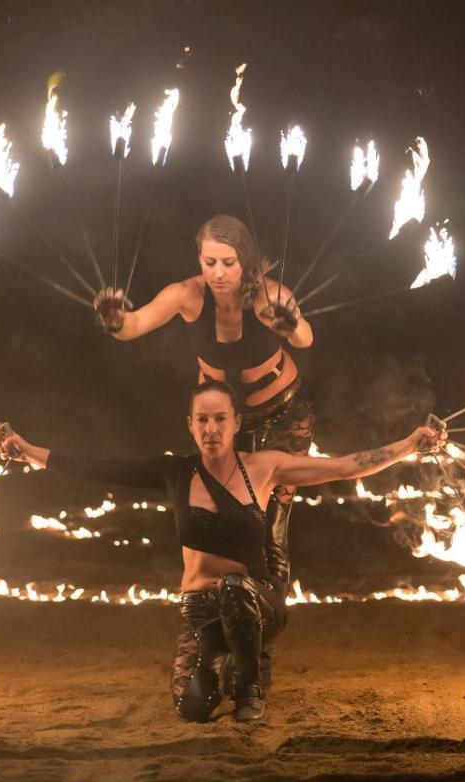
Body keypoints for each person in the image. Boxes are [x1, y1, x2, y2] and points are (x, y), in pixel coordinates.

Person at [0, 379, 444, 723]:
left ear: (235, 423)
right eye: (202, 420)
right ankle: (220, 664)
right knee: (192, 709)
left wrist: (410, 442)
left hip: (256, 599)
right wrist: (26, 449)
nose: (211, 428)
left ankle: (250, 688)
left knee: (233, 588)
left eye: (220, 419)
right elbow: (95, 466)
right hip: (199, 614)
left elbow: (346, 466)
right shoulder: (175, 472)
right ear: (191, 425)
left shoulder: (265, 468)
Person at [94, 214, 314, 691]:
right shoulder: (185, 295)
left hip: (282, 418)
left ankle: (260, 646)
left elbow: (305, 337)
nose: (218, 272)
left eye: (229, 262)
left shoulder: (269, 296)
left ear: (245, 262)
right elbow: (132, 326)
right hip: (222, 423)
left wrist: (290, 325)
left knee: (270, 529)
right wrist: (114, 320)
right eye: (209, 261)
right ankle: (213, 635)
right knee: (215, 520)